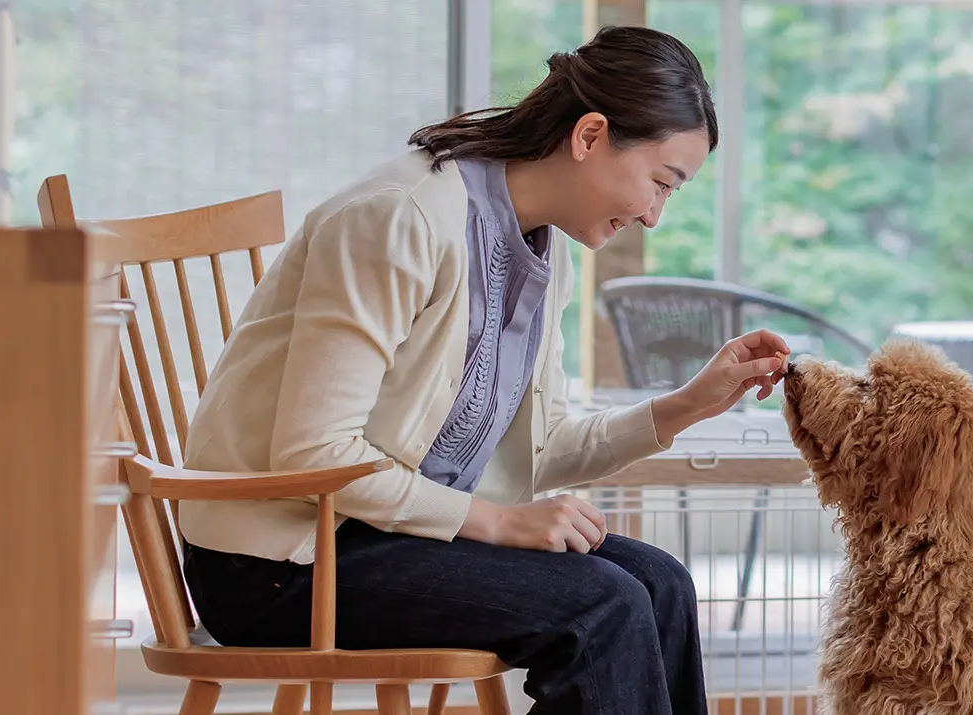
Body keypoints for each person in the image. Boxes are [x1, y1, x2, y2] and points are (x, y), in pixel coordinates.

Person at [175, 26, 786, 715]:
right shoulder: (398, 218)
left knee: (660, 582)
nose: (654, 216)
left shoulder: (542, 246)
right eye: (660, 183)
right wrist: (496, 521)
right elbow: (314, 451)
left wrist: (686, 404)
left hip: (383, 537)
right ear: (589, 136)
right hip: (279, 565)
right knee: (605, 605)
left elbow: (544, 446)